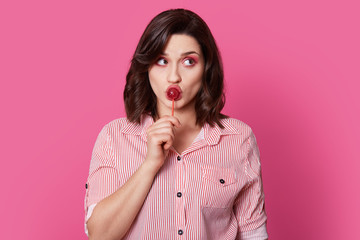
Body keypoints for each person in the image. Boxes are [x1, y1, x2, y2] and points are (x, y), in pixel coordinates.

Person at [84, 9, 268, 240]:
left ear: (206, 69)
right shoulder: (115, 137)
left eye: (188, 62)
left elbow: (253, 235)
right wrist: (150, 165)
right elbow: (99, 235)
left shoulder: (238, 138)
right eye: (162, 61)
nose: (174, 77)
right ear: (147, 67)